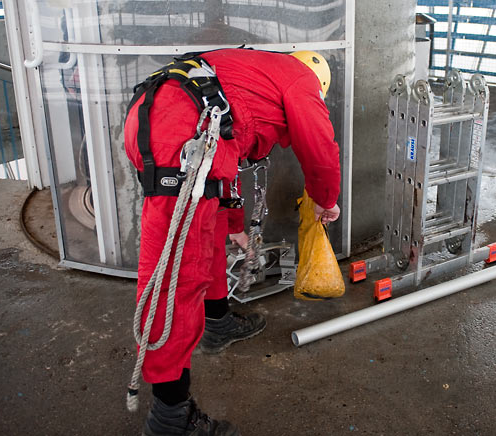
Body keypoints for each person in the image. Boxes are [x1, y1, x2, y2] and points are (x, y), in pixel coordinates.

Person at [124, 49, 341, 436]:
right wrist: (327, 200)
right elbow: (320, 148)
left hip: (170, 121)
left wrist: (236, 226)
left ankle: (217, 322)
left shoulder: (251, 77)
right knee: (176, 278)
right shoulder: (300, 80)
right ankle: (170, 417)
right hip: (177, 130)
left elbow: (227, 152)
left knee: (204, 238)